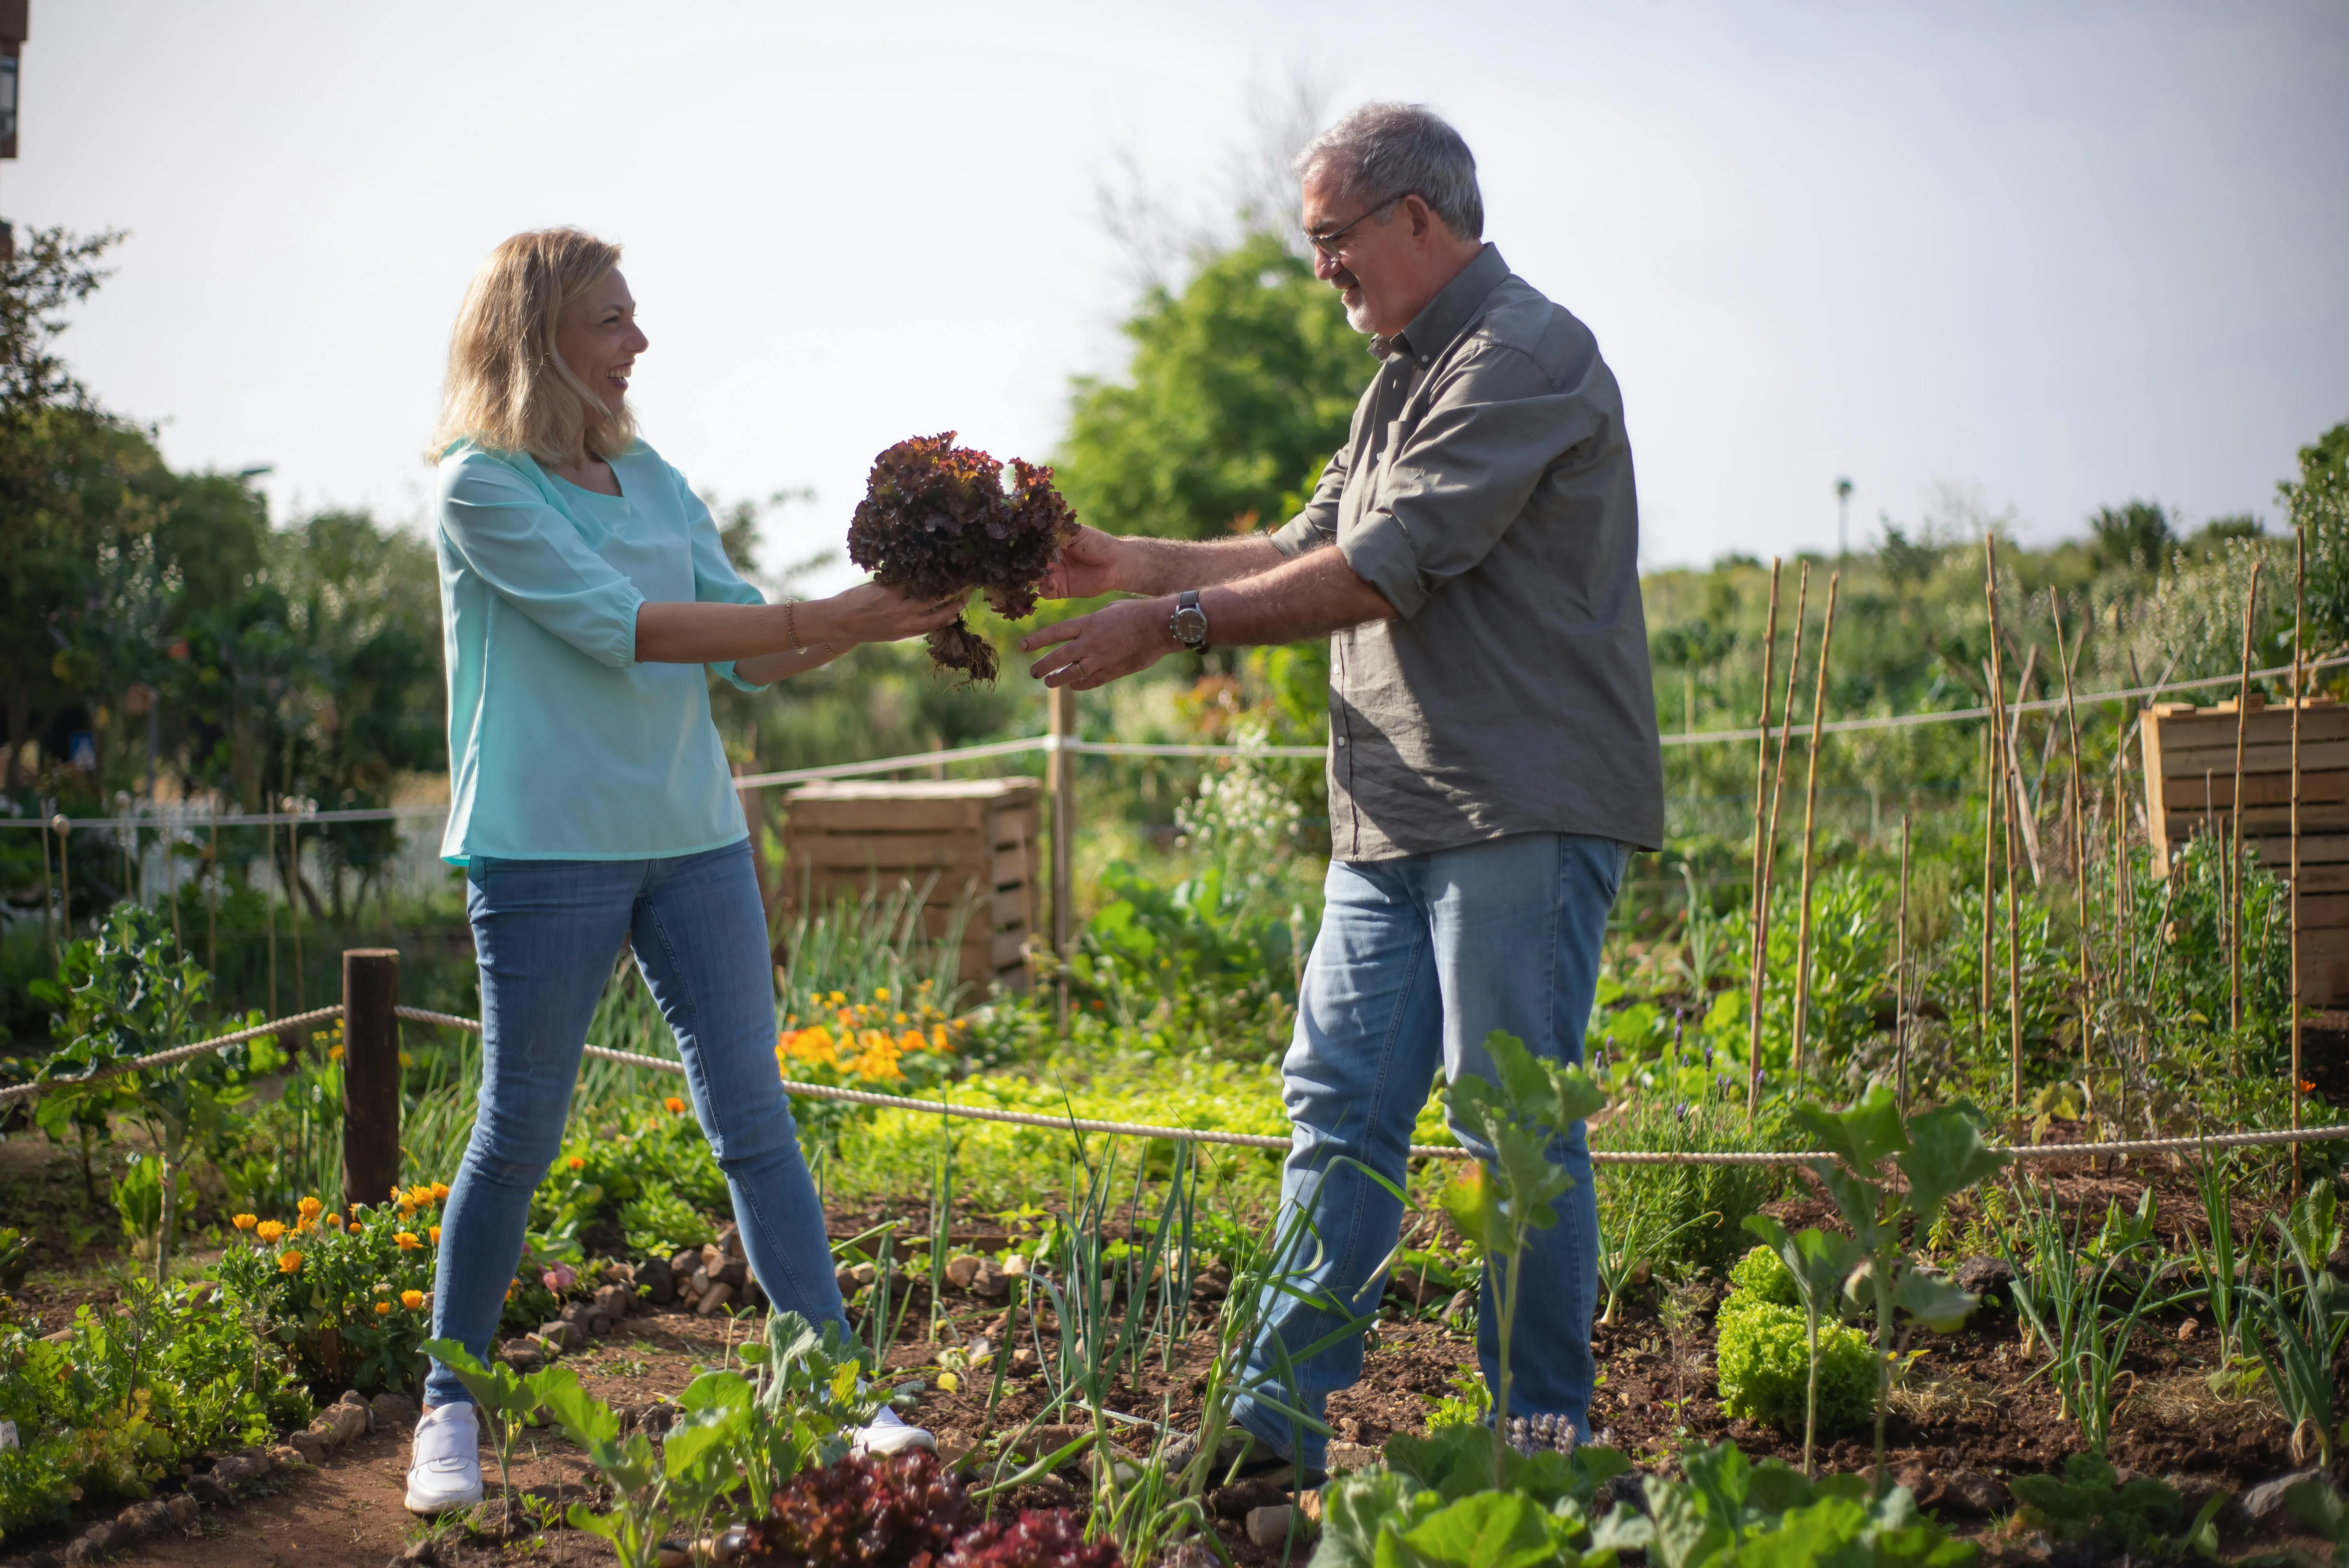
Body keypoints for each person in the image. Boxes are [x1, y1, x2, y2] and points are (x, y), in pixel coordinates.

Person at [1021, 103, 1663, 1479]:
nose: (1324, 273)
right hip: (1391, 820)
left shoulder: (1526, 354)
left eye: (1332, 242)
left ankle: (1541, 1443)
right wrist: (1118, 560)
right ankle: (1267, 1437)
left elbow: (1388, 563)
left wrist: (1174, 625)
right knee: (1339, 1111)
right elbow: (1309, 539)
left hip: (1515, 808)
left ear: (1416, 219)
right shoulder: (1400, 376)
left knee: (1512, 1134)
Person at [405, 228, 960, 1516]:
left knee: (754, 1118)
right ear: (539, 333)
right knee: (518, 1133)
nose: (640, 341)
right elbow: (627, 630)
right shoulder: (481, 488)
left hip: (694, 835)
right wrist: (829, 619)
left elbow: (752, 652)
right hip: (546, 847)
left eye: (634, 317)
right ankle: (448, 1407)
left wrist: (881, 606)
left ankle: (826, 1392)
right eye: (612, 320)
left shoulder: (648, 475)